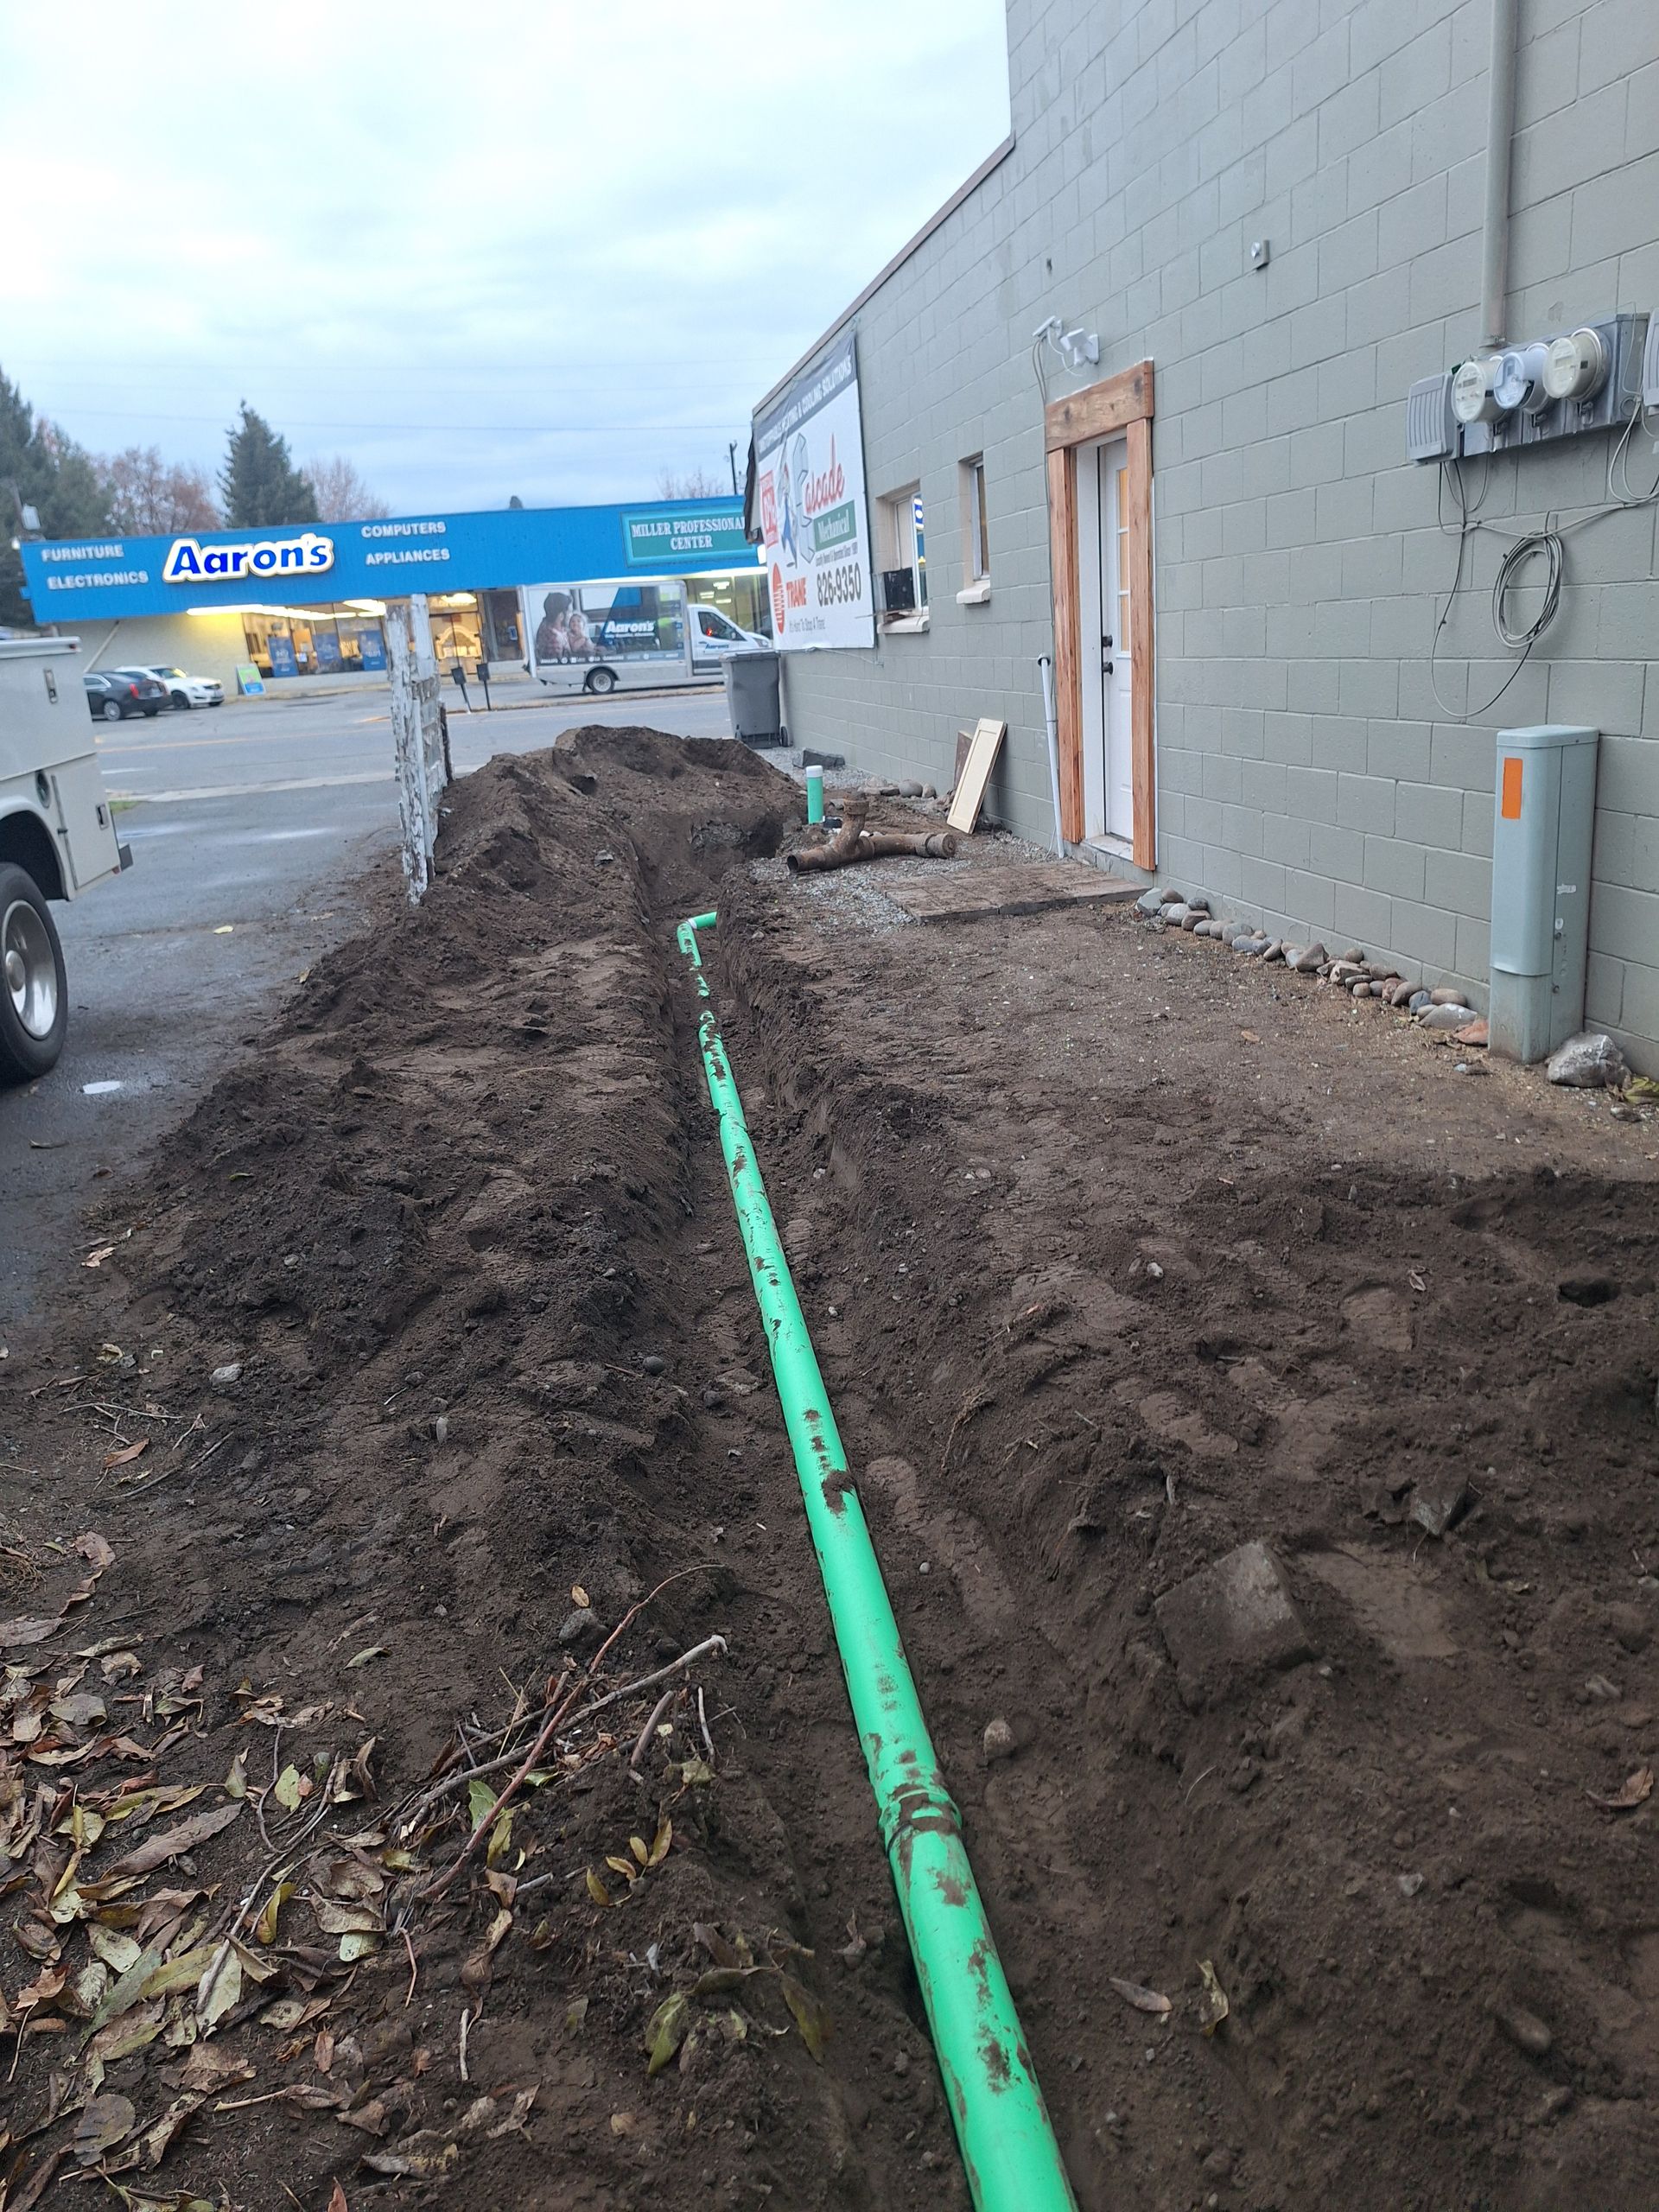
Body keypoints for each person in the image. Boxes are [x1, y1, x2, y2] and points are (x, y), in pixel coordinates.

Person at [534, 590, 574, 663]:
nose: (571, 615)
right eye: (570, 612)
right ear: (561, 616)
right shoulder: (554, 640)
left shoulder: (550, 626)